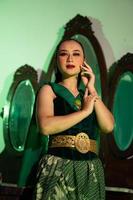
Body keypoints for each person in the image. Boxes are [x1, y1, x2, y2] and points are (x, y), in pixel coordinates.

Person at [33, 39, 114, 200]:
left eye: (76, 54)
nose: (70, 59)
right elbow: (45, 126)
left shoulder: (89, 94)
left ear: (84, 62)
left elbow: (108, 126)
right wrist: (84, 112)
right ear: (57, 61)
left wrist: (91, 88)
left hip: (89, 168)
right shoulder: (49, 90)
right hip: (58, 165)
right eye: (64, 54)